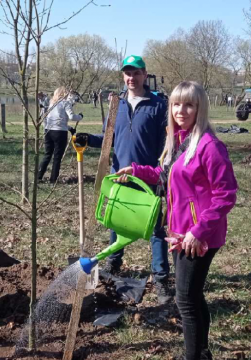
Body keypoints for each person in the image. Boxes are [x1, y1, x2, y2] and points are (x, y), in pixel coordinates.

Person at [115, 81, 238, 360]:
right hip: (181, 231)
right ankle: (202, 352)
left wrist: (199, 231)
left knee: (184, 299)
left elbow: (226, 195)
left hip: (199, 236)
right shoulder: (179, 140)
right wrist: (135, 170)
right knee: (192, 295)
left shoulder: (210, 146)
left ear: (200, 108)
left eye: (189, 104)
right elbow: (164, 173)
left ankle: (192, 356)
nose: (181, 110)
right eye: (176, 104)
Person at [75, 55, 172, 304]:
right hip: (120, 175)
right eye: (127, 73)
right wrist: (88, 139)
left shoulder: (158, 105)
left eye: (136, 73)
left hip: (147, 178)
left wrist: (164, 170)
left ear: (144, 74)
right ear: (123, 76)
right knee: (117, 222)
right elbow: (109, 137)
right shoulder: (116, 105)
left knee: (154, 229)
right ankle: (114, 265)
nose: (131, 77)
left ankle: (161, 278)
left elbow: (169, 140)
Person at [38, 86, 83, 183]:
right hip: (59, 133)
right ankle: (53, 180)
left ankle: (38, 177)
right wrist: (80, 116)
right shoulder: (65, 103)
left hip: (48, 131)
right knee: (57, 157)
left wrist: (70, 128)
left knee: (47, 154)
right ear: (64, 94)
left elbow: (57, 121)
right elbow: (71, 117)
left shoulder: (52, 104)